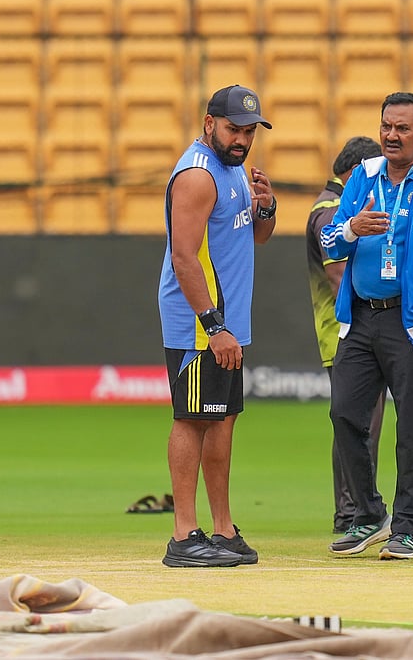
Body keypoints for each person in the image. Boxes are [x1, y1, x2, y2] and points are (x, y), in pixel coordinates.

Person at [320, 92, 413, 560]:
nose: (391, 135)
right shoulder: (363, 178)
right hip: (362, 317)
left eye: (403, 128)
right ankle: (368, 514)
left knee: (412, 429)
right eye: (386, 125)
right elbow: (329, 243)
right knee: (344, 414)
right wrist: (352, 229)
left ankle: (408, 528)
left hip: (411, 324)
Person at [157, 84, 277, 567]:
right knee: (192, 418)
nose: (243, 140)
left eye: (250, 132)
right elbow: (184, 257)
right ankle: (184, 535)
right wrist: (213, 326)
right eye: (234, 129)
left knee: (222, 420)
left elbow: (259, 238)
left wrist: (264, 207)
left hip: (228, 320)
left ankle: (222, 529)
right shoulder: (198, 175)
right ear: (209, 123)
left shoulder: (233, 172)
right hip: (199, 322)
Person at [306, 136, 388, 534]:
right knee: (358, 424)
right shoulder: (332, 211)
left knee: (355, 423)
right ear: (358, 171)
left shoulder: (331, 206)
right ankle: (353, 509)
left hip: (342, 331)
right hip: (346, 331)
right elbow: (339, 275)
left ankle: (353, 507)